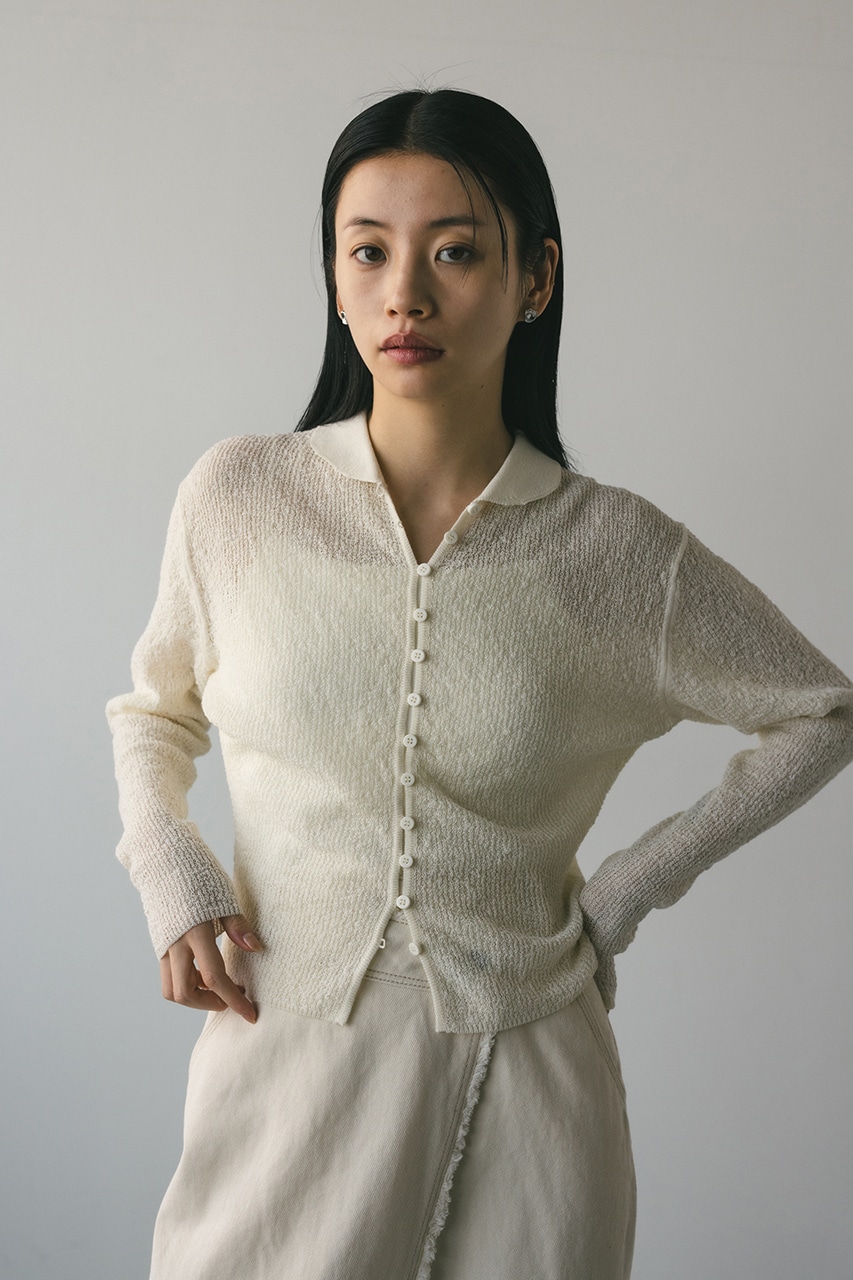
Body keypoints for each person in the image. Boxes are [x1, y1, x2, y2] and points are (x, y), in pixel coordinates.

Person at [107, 88, 853, 1280]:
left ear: (536, 276)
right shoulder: (238, 498)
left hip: (531, 1081)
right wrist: (170, 867)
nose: (404, 292)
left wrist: (624, 892)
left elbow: (822, 711)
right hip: (284, 1069)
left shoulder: (615, 553)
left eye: (454, 251)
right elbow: (155, 710)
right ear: (334, 274)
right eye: (368, 251)